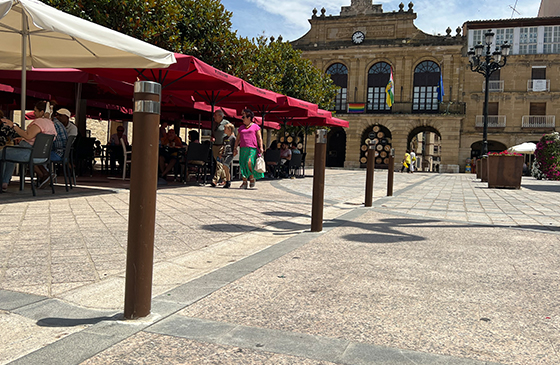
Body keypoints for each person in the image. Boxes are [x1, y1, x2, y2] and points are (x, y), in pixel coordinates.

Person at [1, 101, 57, 192]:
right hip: (42, 157)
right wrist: (23, 138)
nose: (34, 113)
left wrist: (14, 126)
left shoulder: (39, 122)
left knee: (3, 153)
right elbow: (34, 138)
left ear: (42, 112)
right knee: (9, 155)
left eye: (35, 111)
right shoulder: (51, 124)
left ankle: (4, 182)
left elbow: (28, 135)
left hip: (29, 153)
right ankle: (4, 182)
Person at [233, 109, 264, 189]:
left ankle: (251, 177)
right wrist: (235, 148)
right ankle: (244, 182)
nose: (242, 119)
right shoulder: (241, 128)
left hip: (252, 148)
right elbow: (238, 139)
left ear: (249, 117)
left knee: (249, 162)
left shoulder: (255, 127)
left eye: (244, 117)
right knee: (243, 164)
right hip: (243, 148)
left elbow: (259, 138)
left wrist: (261, 147)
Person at [211, 122, 236, 188]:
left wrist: (235, 151)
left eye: (225, 129)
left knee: (225, 165)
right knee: (226, 168)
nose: (224, 130)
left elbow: (235, 146)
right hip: (224, 154)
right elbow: (223, 146)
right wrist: (221, 153)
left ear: (229, 129)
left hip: (230, 154)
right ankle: (228, 181)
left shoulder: (233, 138)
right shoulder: (224, 138)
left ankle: (228, 181)